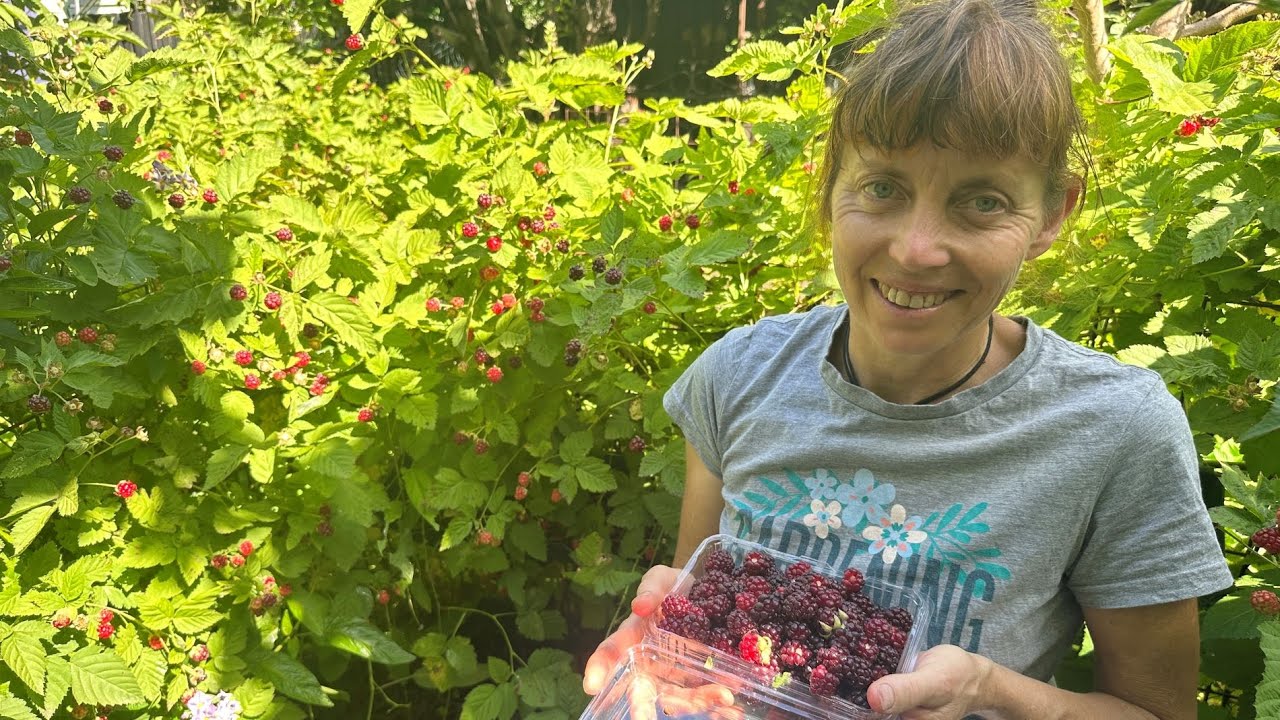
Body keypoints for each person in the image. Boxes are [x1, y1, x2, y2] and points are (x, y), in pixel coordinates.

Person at [582, 0, 1235, 717]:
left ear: (1053, 214)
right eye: (883, 188)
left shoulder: (1115, 431)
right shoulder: (739, 378)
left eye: (983, 202)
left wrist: (989, 689)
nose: (916, 250)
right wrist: (664, 640)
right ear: (831, 185)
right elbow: (693, 617)